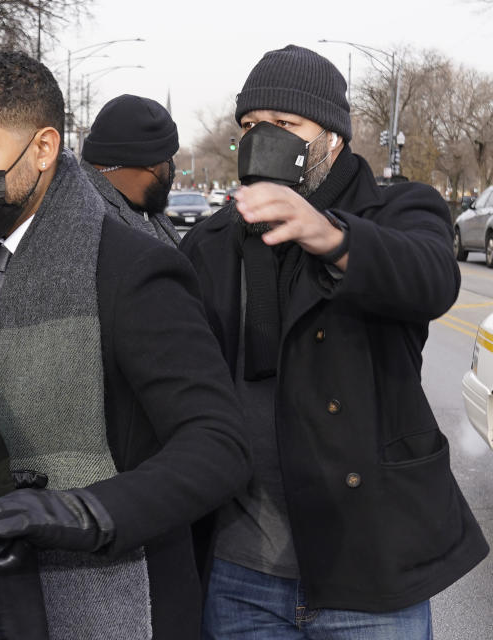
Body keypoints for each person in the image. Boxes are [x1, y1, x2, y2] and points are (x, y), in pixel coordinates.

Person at [0, 50, 251, 639]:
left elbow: (218, 445)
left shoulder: (132, 269)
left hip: (126, 600)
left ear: (45, 149)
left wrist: (82, 511)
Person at [178, 45, 489, 639]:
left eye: (287, 126)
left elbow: (432, 277)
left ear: (334, 141)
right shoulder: (214, 241)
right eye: (250, 126)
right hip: (242, 569)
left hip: (368, 566)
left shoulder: (398, 208)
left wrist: (331, 236)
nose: (262, 138)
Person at [80, 94, 181, 246]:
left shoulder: (145, 213)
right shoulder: (90, 224)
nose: (172, 169)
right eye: (169, 159)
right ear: (152, 163)